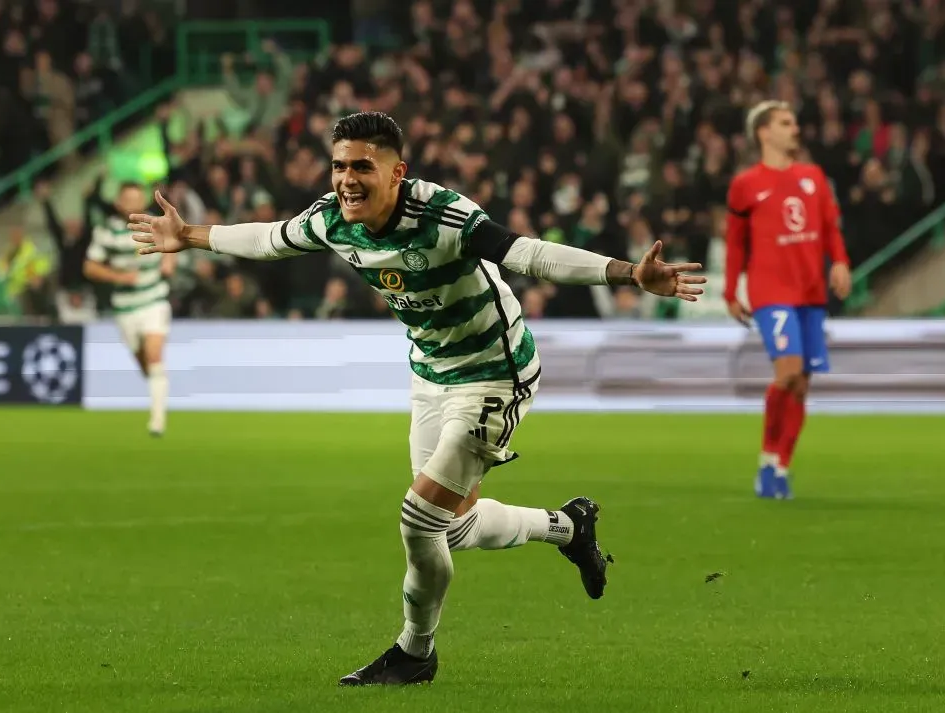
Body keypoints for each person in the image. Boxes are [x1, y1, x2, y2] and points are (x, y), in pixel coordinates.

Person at [129, 112, 705, 686]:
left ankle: (415, 651)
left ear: (397, 171)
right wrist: (190, 237)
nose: (348, 179)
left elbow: (526, 253)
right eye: (339, 166)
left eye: (363, 166)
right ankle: (569, 528)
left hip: (494, 373)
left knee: (419, 519)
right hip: (431, 374)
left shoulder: (443, 216)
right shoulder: (334, 219)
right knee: (451, 529)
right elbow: (270, 238)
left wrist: (628, 272)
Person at [723, 101, 852, 500]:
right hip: (770, 291)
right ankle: (766, 459)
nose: (795, 128)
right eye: (786, 122)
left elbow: (830, 227)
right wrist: (731, 290)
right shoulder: (746, 184)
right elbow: (735, 243)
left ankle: (779, 466)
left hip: (811, 290)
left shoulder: (813, 177)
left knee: (801, 386)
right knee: (789, 374)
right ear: (764, 132)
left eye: (794, 121)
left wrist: (841, 262)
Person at [83, 183, 174, 436]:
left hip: (154, 299)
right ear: (119, 203)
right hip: (125, 308)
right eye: (128, 199)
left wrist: (168, 261)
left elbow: (176, 244)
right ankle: (155, 388)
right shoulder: (106, 232)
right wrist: (118, 277)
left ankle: (157, 421)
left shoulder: (157, 224)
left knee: (155, 355)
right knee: (144, 362)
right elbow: (90, 267)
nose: (133, 204)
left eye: (137, 199)